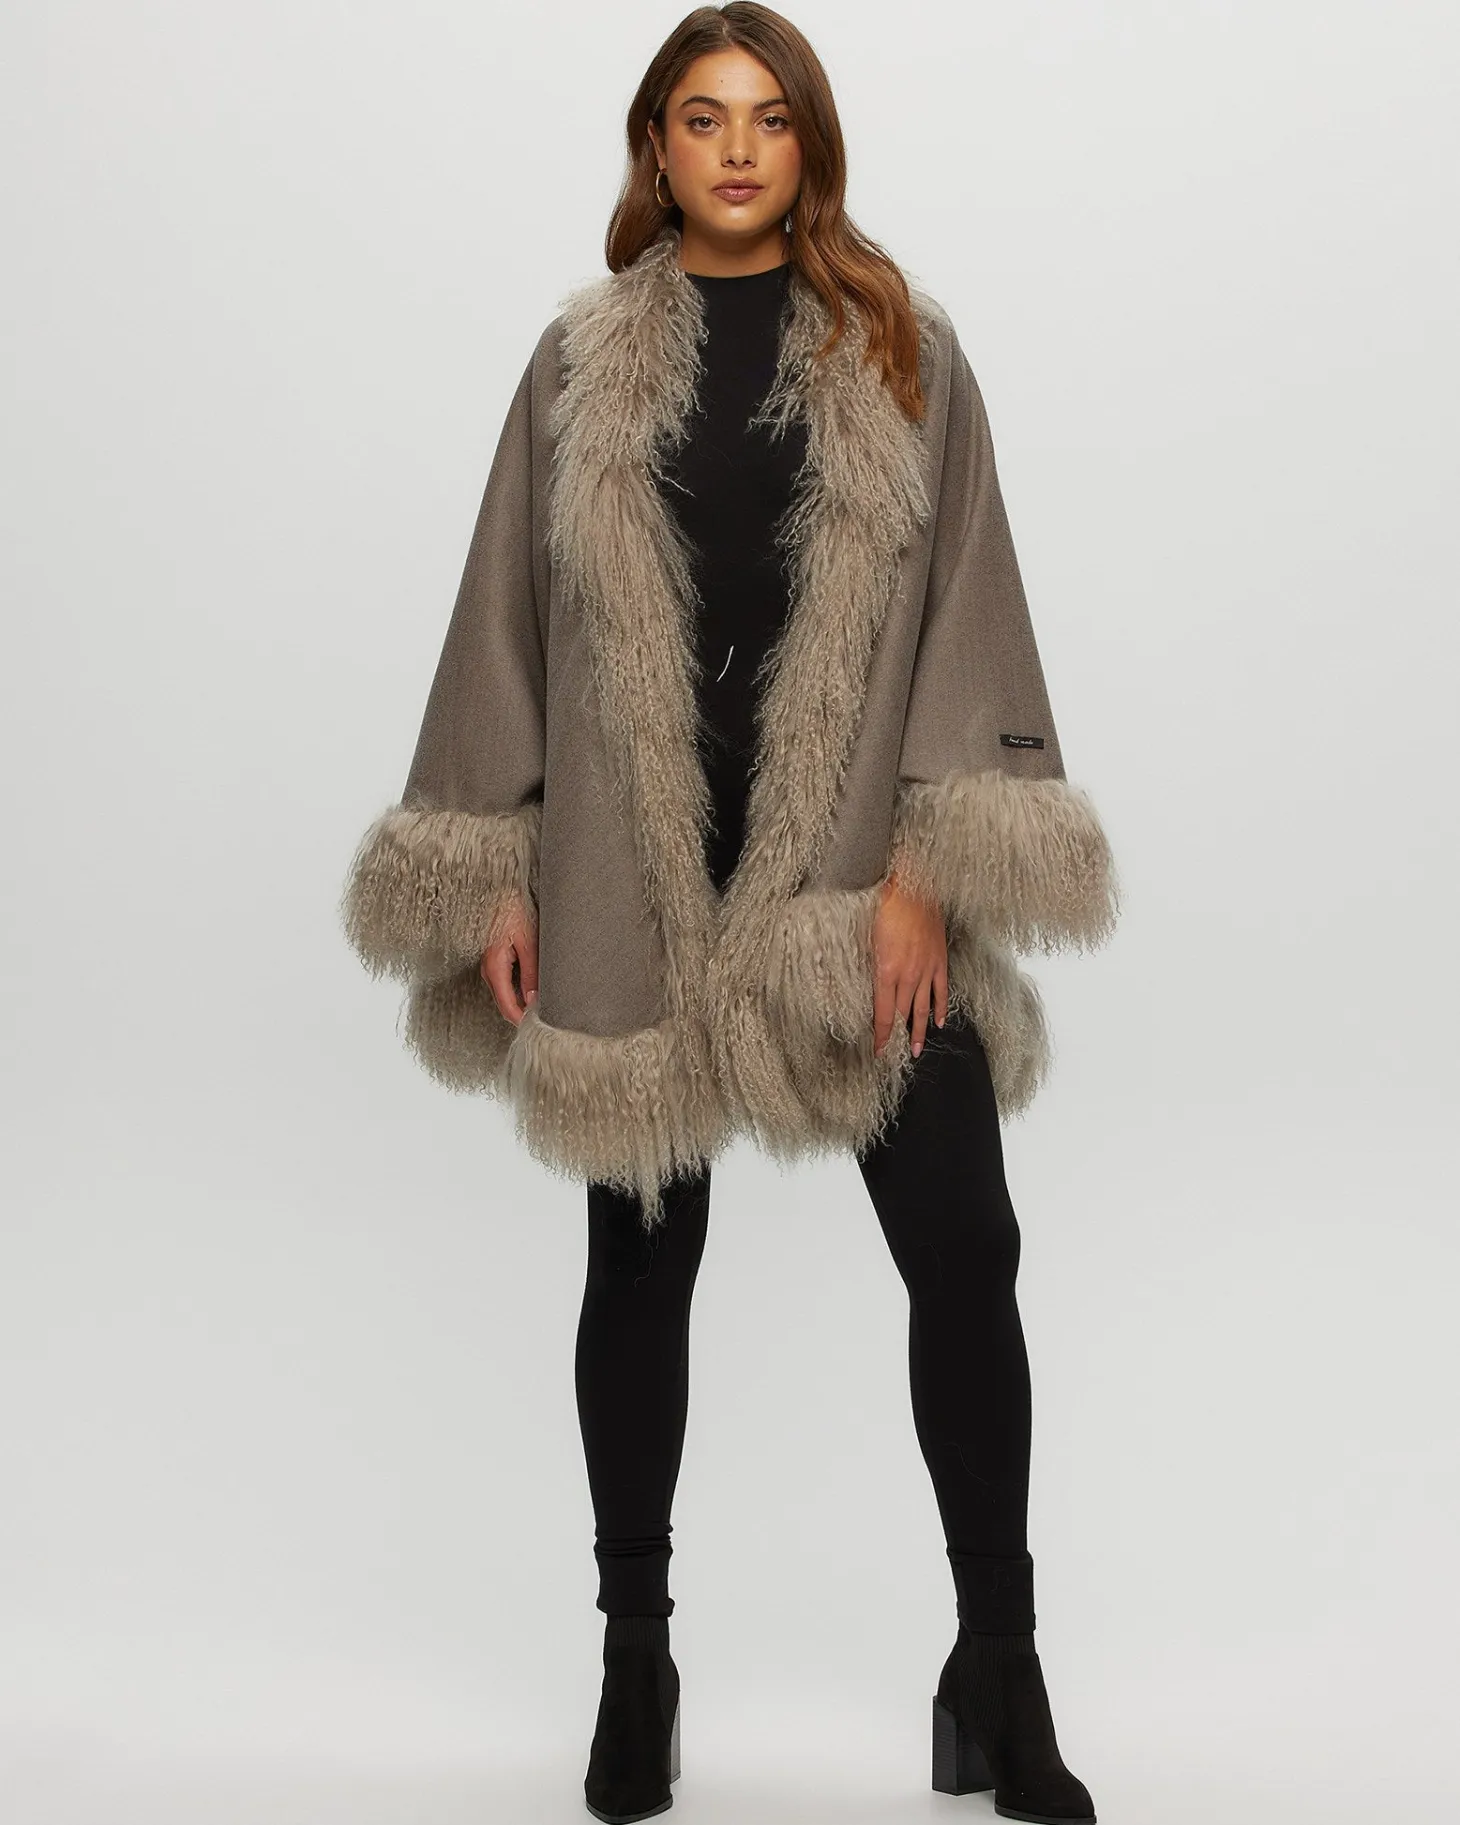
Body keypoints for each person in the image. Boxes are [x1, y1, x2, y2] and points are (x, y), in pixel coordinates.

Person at [340, 6, 1120, 1821]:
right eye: (704, 119)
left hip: (851, 885)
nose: (740, 149)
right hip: (632, 876)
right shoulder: (575, 365)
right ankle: (638, 1664)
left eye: (770, 119)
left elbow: (971, 612)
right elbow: (503, 618)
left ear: (810, 145)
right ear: (658, 147)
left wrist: (927, 879)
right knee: (637, 1270)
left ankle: (999, 1670)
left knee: (968, 1251)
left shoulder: (908, 351)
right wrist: (497, 864)